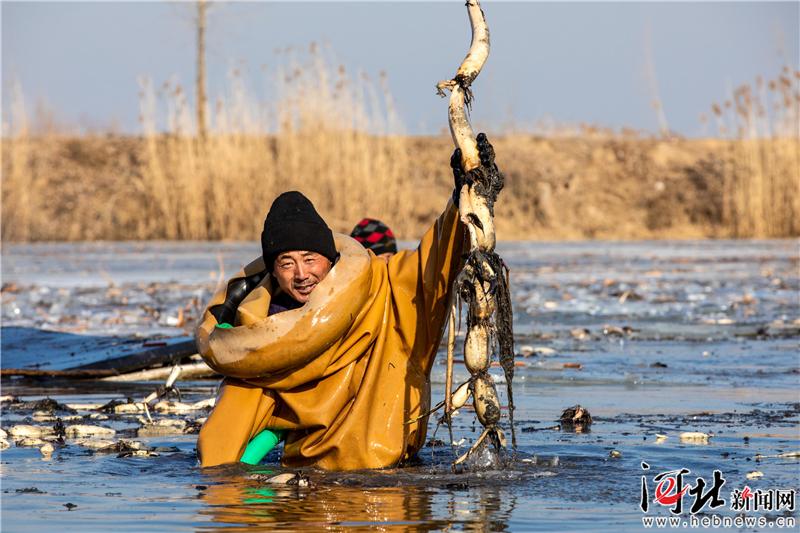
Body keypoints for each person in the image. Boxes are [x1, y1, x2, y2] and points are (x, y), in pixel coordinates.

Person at [196, 135, 500, 470]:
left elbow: (433, 262)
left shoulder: (382, 290)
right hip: (309, 488)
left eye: (310, 259)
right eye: (286, 263)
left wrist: (462, 201)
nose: (302, 274)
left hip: (389, 485)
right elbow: (220, 450)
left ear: (329, 257)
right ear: (273, 271)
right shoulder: (259, 343)